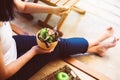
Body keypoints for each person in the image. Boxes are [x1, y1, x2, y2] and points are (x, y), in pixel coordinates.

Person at [0, 0, 119, 80]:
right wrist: (34, 51)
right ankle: (98, 41)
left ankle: (97, 48)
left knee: (57, 44)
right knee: (57, 46)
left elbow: (24, 6)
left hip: (10, 44)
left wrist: (54, 10)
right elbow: (4, 74)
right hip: (11, 71)